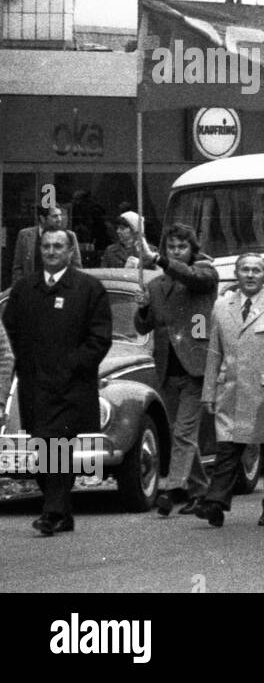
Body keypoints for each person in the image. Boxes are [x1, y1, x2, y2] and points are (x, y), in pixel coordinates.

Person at [1, 228, 111, 536]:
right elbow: (8, 336)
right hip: (34, 384)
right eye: (46, 246)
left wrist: (72, 365)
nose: (51, 251)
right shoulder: (24, 289)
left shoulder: (89, 288)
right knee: (43, 446)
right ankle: (62, 511)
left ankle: (51, 512)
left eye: (58, 246)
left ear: (69, 251)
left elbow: (99, 338)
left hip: (72, 384)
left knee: (57, 444)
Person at [193, 254, 264, 527]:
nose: (250, 275)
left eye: (256, 270)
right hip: (233, 390)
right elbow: (214, 352)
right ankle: (215, 503)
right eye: (245, 270)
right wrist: (209, 392)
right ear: (237, 274)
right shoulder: (221, 306)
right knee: (228, 448)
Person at [133, 222, 219, 517]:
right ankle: (200, 490)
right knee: (179, 432)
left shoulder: (206, 273)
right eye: (171, 247)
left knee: (183, 431)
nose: (176, 252)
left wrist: (159, 259)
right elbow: (143, 326)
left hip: (196, 364)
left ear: (192, 249)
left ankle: (172, 488)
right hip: (168, 366)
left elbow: (190, 276)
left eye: (182, 247)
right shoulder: (155, 285)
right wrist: (143, 307)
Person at [11, 204, 82, 287]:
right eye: (55, 216)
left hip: (61, 288)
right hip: (31, 289)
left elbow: (76, 266)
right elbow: (18, 267)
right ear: (42, 218)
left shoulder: (69, 235)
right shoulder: (25, 235)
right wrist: (20, 288)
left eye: (60, 215)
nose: (59, 219)